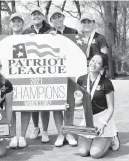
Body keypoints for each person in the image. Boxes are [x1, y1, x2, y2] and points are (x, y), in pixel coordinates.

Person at [80, 12, 120, 150]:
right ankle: (91, 133)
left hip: (96, 72)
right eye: (83, 22)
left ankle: (112, 134)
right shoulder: (78, 37)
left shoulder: (100, 38)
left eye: (89, 22)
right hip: (84, 73)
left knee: (102, 104)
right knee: (89, 104)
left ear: (93, 23)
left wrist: (98, 78)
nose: (86, 24)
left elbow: (103, 56)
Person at [68, 54, 118, 158]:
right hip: (87, 120)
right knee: (83, 152)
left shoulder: (107, 83)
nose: (94, 64)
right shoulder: (81, 80)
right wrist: (70, 104)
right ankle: (93, 139)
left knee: (95, 154)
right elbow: (80, 101)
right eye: (93, 60)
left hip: (102, 120)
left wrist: (103, 123)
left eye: (98, 63)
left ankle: (112, 137)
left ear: (102, 67)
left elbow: (111, 108)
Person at [47, 8, 78, 147]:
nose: (57, 19)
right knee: (57, 105)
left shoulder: (74, 32)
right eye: (54, 18)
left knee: (70, 104)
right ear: (51, 21)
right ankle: (60, 133)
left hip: (70, 72)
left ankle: (69, 132)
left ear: (63, 17)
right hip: (54, 73)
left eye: (59, 16)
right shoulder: (48, 34)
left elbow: (77, 51)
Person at [23, 7, 52, 143]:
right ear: (31, 17)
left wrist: (53, 37)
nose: (36, 16)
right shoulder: (25, 32)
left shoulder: (51, 30)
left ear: (43, 16)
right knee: (33, 102)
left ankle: (45, 130)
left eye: (38, 14)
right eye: (33, 14)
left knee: (44, 103)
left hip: (46, 71)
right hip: (30, 71)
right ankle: (36, 128)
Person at [8, 13, 31, 148]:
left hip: (26, 77)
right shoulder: (4, 40)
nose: (16, 23)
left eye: (19, 21)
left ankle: (22, 136)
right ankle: (12, 137)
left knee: (26, 106)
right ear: (10, 24)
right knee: (10, 107)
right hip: (11, 77)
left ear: (22, 24)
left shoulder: (30, 37)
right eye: (13, 21)